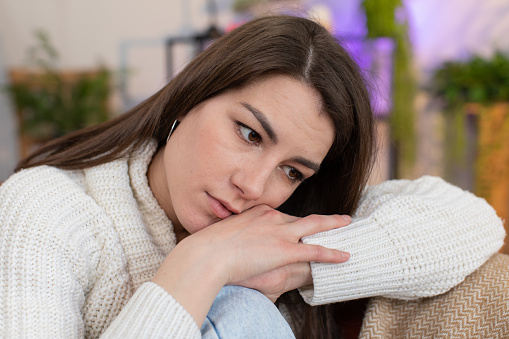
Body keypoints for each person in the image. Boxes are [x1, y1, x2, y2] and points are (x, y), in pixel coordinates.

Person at [0, 15, 506, 339]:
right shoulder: (48, 208)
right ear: (191, 97)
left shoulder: (277, 226)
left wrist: (298, 267)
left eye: (291, 170)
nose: (256, 187)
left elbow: (473, 223)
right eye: (248, 134)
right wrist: (203, 263)